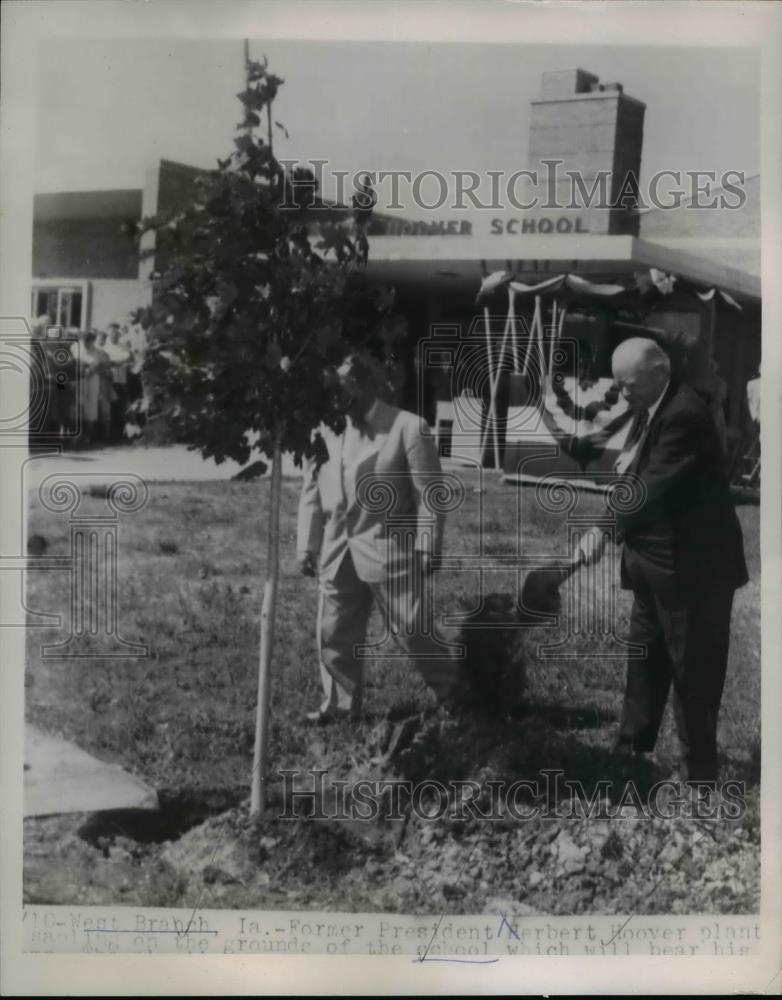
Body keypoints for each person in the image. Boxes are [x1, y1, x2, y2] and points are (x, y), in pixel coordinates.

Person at [579, 337, 748, 783]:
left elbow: (650, 486)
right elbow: (635, 470)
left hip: (694, 572)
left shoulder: (685, 414)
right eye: (618, 384)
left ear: (659, 371)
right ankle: (631, 750)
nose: (622, 392)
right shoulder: (651, 405)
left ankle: (699, 777)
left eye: (629, 383)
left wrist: (602, 528)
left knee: (693, 674)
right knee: (645, 660)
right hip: (653, 563)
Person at [296, 353, 463, 723]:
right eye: (332, 394)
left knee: (412, 629)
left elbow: (430, 494)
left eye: (342, 391)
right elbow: (311, 488)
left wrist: (428, 544)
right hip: (338, 549)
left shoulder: (408, 427)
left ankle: (457, 697)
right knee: (334, 631)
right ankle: (339, 706)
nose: (337, 401)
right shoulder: (324, 430)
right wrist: (307, 545)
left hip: (391, 550)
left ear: (366, 383)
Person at [103, 323, 133, 442]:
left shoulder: (124, 346)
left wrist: (118, 362)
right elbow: (107, 362)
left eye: (116, 333)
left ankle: (120, 435)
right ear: (108, 334)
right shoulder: (105, 347)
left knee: (122, 406)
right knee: (111, 407)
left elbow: (129, 360)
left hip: (123, 379)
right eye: (112, 333)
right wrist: (118, 362)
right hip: (110, 380)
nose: (114, 335)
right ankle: (110, 435)